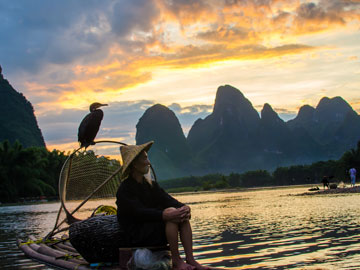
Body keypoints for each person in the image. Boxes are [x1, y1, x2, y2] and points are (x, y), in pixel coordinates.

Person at [116, 141, 210, 270]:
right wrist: (163, 214)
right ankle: (177, 261)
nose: (148, 162)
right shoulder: (125, 189)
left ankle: (190, 259)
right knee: (171, 215)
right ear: (134, 165)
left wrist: (184, 208)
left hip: (154, 229)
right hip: (137, 235)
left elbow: (167, 199)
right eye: (145, 158)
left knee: (181, 215)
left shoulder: (150, 185)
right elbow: (138, 212)